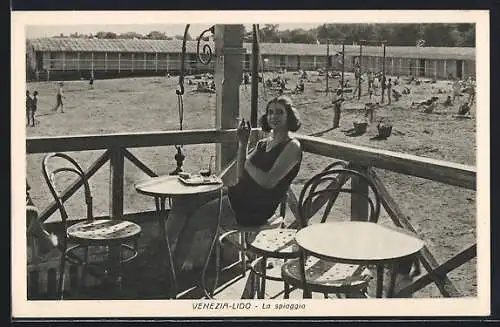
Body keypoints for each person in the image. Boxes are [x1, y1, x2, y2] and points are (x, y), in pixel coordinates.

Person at [167, 96, 303, 273]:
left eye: (279, 112)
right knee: (183, 202)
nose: (273, 116)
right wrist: (243, 143)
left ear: (289, 116)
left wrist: (247, 163)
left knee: (195, 219)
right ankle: (164, 254)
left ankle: (174, 272)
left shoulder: (292, 146)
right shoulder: (264, 144)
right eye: (270, 112)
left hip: (255, 208)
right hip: (239, 195)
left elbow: (268, 182)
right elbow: (241, 174)